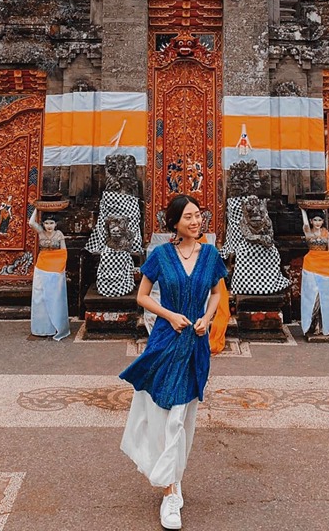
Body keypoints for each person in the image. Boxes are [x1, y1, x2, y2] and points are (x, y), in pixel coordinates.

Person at [120, 194, 228, 530]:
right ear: (175, 223)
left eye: (198, 215)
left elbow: (216, 293)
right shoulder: (161, 255)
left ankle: (174, 479)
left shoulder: (210, 255)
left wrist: (207, 318)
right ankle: (169, 493)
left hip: (195, 345)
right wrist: (169, 315)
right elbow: (142, 296)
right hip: (166, 341)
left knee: (183, 419)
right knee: (167, 416)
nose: (196, 222)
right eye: (188, 217)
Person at [27, 209, 69, 341]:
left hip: (56, 268)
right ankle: (40, 328)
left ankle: (53, 327)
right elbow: (31, 222)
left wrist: (61, 268)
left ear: (56, 224)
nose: (49, 226)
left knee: (54, 297)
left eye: (51, 223)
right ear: (43, 224)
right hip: (42, 266)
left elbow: (64, 252)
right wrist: (37, 208)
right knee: (40, 296)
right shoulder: (41, 232)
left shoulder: (59, 234)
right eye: (46, 223)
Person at [300, 208, 329, 337]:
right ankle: (312, 325)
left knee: (326, 297)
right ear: (311, 221)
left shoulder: (326, 233)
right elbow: (305, 224)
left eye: (320, 220)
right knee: (312, 295)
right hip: (311, 265)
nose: (317, 222)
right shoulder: (308, 232)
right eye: (315, 220)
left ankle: (324, 326)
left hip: (325, 266)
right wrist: (303, 211)